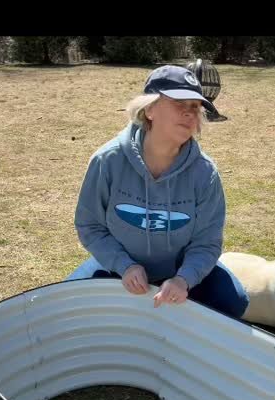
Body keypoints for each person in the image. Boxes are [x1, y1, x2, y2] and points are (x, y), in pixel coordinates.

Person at [74, 65, 248, 317]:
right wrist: (124, 266)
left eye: (195, 107)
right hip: (118, 267)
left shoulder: (205, 172)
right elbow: (90, 225)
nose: (189, 113)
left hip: (179, 270)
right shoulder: (107, 161)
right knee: (71, 302)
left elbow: (207, 242)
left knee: (234, 301)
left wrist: (183, 279)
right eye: (179, 103)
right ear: (150, 109)